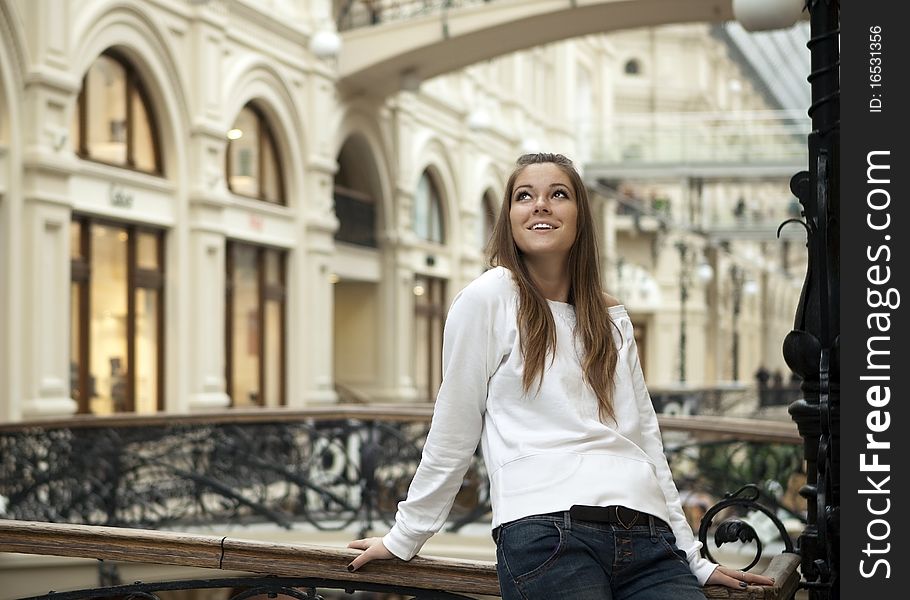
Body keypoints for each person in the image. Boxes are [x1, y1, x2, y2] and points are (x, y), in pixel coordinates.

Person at [347, 153, 774, 598]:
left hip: (646, 537)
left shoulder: (610, 316)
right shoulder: (489, 298)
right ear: (509, 217)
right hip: (545, 534)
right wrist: (405, 536)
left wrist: (692, 558)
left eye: (558, 194)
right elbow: (454, 427)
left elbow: (644, 439)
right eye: (524, 196)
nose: (540, 205)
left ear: (580, 218)